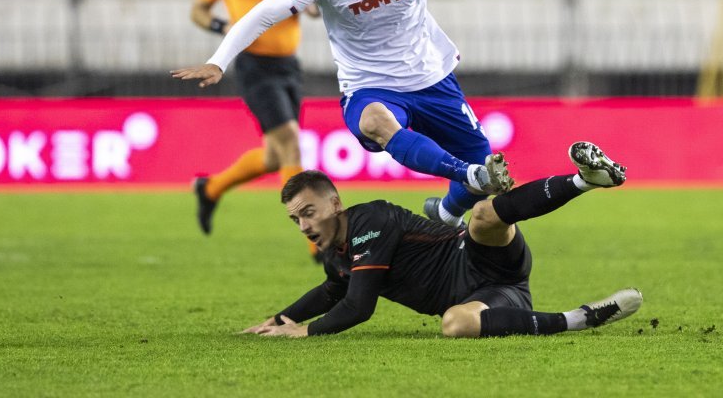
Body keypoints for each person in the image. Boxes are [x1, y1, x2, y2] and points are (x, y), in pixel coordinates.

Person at [172, 0, 618, 229]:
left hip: (432, 78)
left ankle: (445, 210)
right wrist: (219, 59)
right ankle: (470, 173)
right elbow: (266, 11)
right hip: (369, 85)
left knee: (479, 199)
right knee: (377, 124)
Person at [242, 141, 642, 338]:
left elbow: (358, 306)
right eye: (295, 219)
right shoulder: (336, 252)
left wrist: (305, 332)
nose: (303, 226)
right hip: (492, 296)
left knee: (483, 214)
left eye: (308, 213)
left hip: (479, 257)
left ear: (334, 203)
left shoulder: (371, 220)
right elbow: (333, 289)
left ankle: (583, 180)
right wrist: (281, 319)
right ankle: (581, 318)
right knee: (454, 324)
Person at [189, 0, 320, 254]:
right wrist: (224, 27)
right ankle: (316, 242)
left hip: (289, 65)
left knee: (276, 155)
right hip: (252, 64)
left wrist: (314, 8)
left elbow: (312, 0)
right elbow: (198, 10)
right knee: (291, 141)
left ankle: (211, 189)